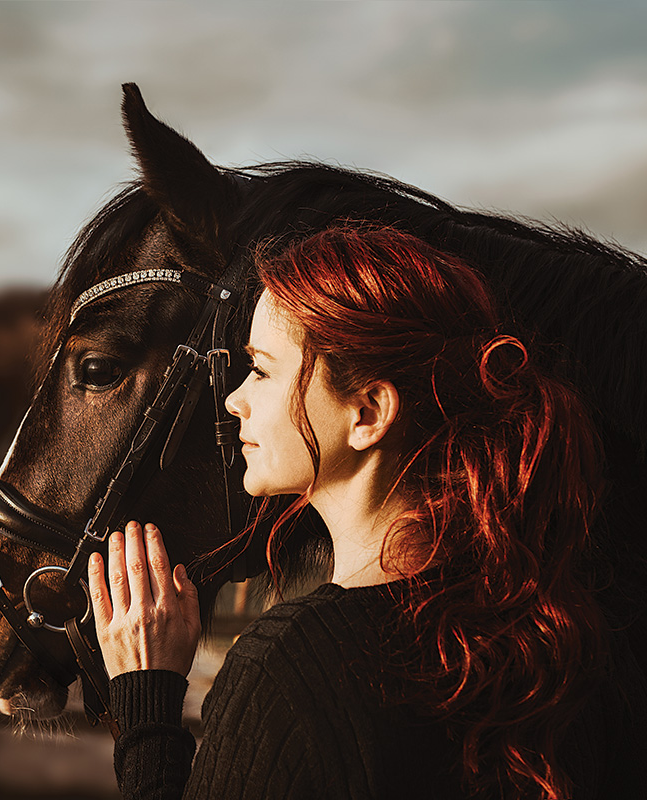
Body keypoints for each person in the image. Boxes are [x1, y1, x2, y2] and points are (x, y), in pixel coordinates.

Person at [86, 225, 646, 799]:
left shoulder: (292, 672)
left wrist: (147, 709)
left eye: (262, 370)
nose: (235, 399)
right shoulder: (558, 645)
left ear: (368, 412)